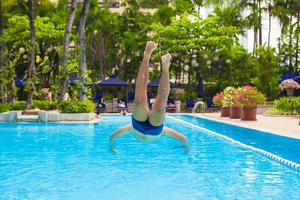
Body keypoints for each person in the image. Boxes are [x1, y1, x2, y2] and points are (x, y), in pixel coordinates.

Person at [110, 41, 189, 152]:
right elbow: (183, 138)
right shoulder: (165, 131)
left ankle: (147, 55)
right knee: (160, 106)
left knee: (139, 100)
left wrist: (112, 146)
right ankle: (165, 66)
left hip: (137, 125)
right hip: (155, 129)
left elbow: (113, 136)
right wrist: (186, 148)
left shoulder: (130, 129)